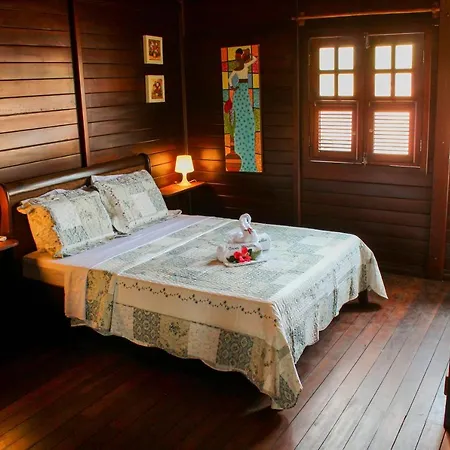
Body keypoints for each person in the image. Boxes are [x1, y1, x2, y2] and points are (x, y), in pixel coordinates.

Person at [228, 48, 258, 172]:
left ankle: (244, 153)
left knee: (245, 117)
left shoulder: (240, 67)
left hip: (241, 91)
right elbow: (255, 59)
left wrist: (233, 87)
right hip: (241, 92)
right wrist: (249, 54)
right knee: (242, 118)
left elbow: (230, 80)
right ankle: (241, 151)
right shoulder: (243, 66)